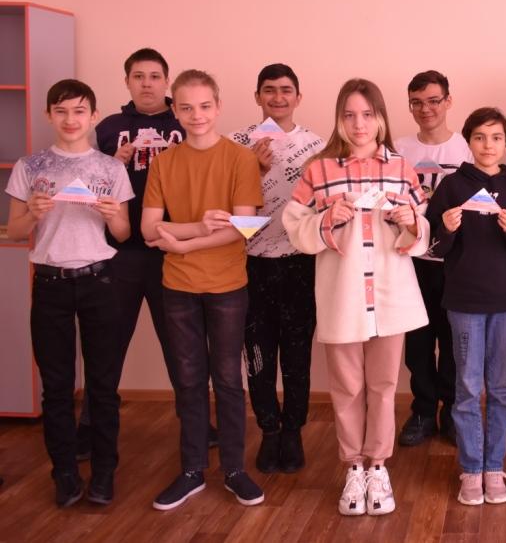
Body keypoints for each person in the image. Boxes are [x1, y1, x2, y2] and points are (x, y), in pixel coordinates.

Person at [282, 78, 429, 517]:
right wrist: (328, 218)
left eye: (367, 114)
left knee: (384, 385)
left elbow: (422, 230)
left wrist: (409, 220)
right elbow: (294, 226)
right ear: (339, 119)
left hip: (390, 295)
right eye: (349, 115)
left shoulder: (402, 169)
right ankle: (353, 467)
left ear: (381, 118)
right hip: (342, 295)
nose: (359, 123)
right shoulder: (319, 170)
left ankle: (378, 466)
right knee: (346, 387)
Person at [5, 79, 132, 507]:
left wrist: (112, 216)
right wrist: (32, 214)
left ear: (93, 116)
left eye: (79, 111)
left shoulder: (111, 169)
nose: (70, 119)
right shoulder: (31, 166)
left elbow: (123, 233)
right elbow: (15, 230)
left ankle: (104, 472)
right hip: (50, 284)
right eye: (61, 111)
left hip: (99, 282)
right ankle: (63, 472)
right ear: (49, 115)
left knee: (103, 385)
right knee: (57, 386)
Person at [142, 70, 265, 510]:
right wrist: (195, 228)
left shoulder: (240, 159)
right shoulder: (164, 162)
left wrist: (180, 241)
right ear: (175, 110)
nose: (197, 115)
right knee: (189, 381)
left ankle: (234, 470)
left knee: (228, 380)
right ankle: (192, 470)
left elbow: (241, 228)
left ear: (218, 106)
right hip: (177, 286)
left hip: (228, 285)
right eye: (186, 107)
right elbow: (148, 229)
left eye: (205, 106)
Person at [425, 107, 506, 506]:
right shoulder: (452, 186)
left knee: (503, 389)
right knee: (468, 387)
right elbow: (433, 248)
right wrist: (446, 228)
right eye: (479, 137)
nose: (488, 145)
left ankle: (495, 466)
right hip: (464, 302)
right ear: (468, 141)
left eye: (496, 137)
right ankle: (471, 468)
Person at [83, 48, 191, 461]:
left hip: (173, 251)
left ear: (167, 81)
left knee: (181, 346)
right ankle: (92, 424)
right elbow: (82, 187)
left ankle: (196, 423)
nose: (147, 83)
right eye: (138, 76)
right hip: (118, 254)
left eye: (155, 76)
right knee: (107, 344)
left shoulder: (185, 123)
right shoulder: (109, 128)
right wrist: (112, 164)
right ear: (127, 81)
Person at [230, 63, 324, 474]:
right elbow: (225, 205)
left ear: (298, 97)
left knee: (298, 355)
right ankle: (268, 429)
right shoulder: (236, 144)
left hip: (301, 263)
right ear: (257, 96)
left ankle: (293, 431)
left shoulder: (318, 146)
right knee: (257, 355)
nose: (278, 97)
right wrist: (253, 171)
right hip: (250, 264)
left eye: (286, 90)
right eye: (269, 90)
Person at [394, 70, 472, 447]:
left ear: (448, 101)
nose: (426, 109)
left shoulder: (467, 149)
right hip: (411, 261)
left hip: (455, 262)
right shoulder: (398, 149)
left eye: (433, 101)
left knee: (454, 341)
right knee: (419, 342)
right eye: (417, 102)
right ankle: (423, 410)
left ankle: (452, 411)